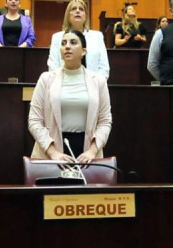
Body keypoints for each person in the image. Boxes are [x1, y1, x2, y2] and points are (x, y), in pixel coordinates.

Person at [27, 30, 113, 164]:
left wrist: (92, 150)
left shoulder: (98, 81)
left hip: (88, 154)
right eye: (63, 43)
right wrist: (53, 152)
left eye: (73, 43)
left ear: (84, 51)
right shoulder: (46, 79)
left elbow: (105, 121)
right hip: (51, 152)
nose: (67, 46)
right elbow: (34, 120)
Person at [46, 0, 110, 79]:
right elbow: (53, 67)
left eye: (81, 9)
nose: (77, 11)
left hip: (93, 86)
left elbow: (104, 67)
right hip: (64, 85)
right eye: (73, 9)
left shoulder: (97, 36)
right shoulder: (57, 37)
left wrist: (95, 85)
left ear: (85, 16)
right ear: (68, 16)